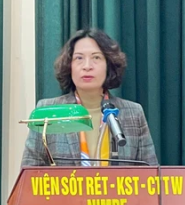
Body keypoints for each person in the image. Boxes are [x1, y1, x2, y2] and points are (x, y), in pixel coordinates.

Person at [21, 28, 158, 167]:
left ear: (108, 64)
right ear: (69, 65)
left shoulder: (133, 113)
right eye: (79, 58)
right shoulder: (47, 111)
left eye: (96, 58)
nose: (87, 66)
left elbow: (151, 174)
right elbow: (30, 170)